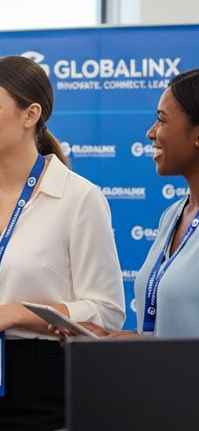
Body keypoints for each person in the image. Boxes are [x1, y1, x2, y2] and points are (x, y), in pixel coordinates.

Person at [0, 55, 125, 430]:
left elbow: (105, 312)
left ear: (30, 114)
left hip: (43, 381)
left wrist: (18, 313)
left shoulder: (78, 197)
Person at [58, 68, 199, 340]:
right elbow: (171, 332)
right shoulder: (173, 215)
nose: (150, 133)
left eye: (162, 120)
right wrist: (113, 338)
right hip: (165, 381)